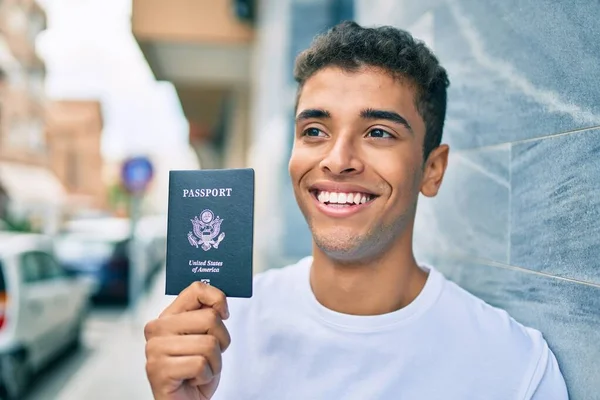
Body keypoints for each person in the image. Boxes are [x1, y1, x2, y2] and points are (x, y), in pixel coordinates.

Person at [144, 21, 568, 400]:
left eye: (378, 132)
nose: (337, 159)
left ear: (432, 170)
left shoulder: (515, 369)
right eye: (314, 131)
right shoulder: (217, 336)